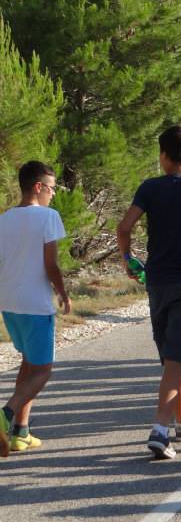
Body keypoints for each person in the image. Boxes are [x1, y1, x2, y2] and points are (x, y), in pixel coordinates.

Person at [116, 126, 181, 460]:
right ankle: (160, 430)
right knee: (176, 356)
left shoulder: (149, 188)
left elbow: (124, 227)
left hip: (157, 279)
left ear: (164, 155)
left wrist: (127, 258)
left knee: (171, 356)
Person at [0, 161, 71, 456]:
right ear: (38, 187)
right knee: (43, 371)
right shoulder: (48, 217)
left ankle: (21, 431)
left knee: (29, 364)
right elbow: (51, 264)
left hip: (9, 303)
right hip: (35, 305)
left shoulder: (4, 219)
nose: (54, 195)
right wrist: (64, 293)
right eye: (52, 188)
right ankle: (6, 414)